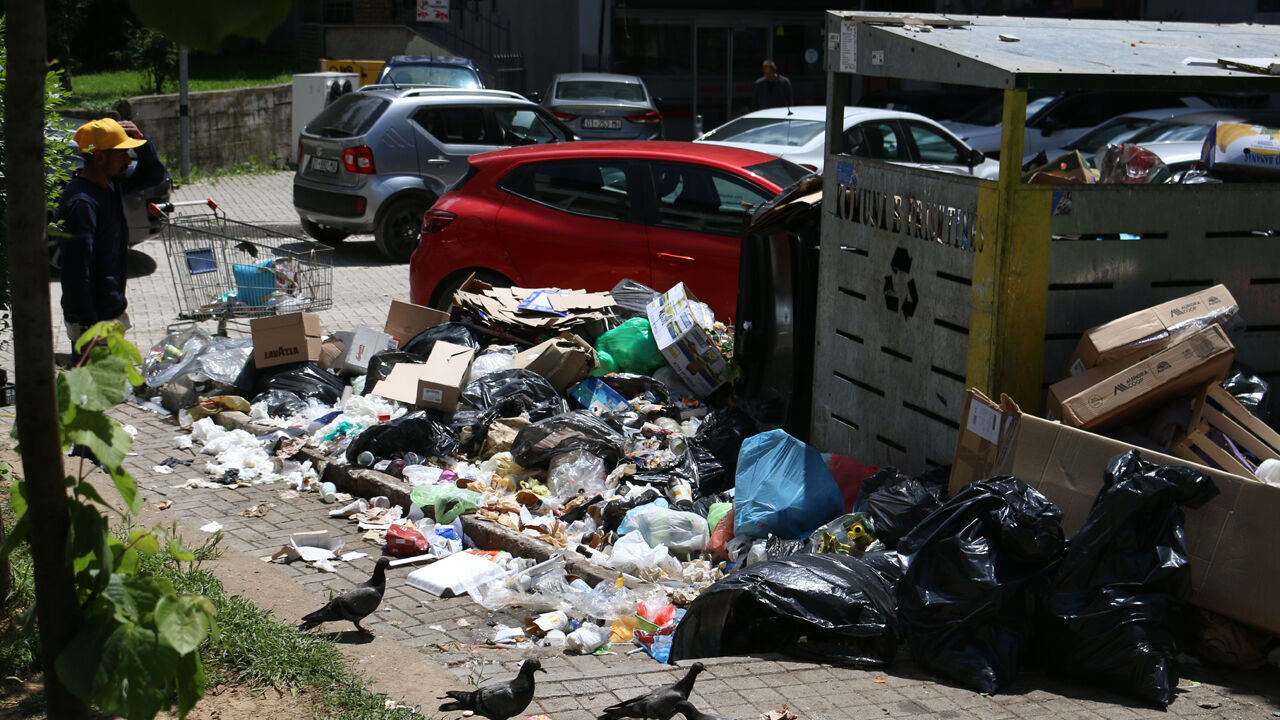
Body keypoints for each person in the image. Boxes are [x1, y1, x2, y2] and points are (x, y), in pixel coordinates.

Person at [56, 118, 166, 346]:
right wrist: (89, 325)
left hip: (108, 314)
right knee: (96, 371)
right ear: (99, 158)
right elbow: (76, 272)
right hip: (94, 323)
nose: (128, 160)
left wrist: (143, 142)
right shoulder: (82, 204)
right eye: (121, 154)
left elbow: (153, 175)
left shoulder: (110, 184)